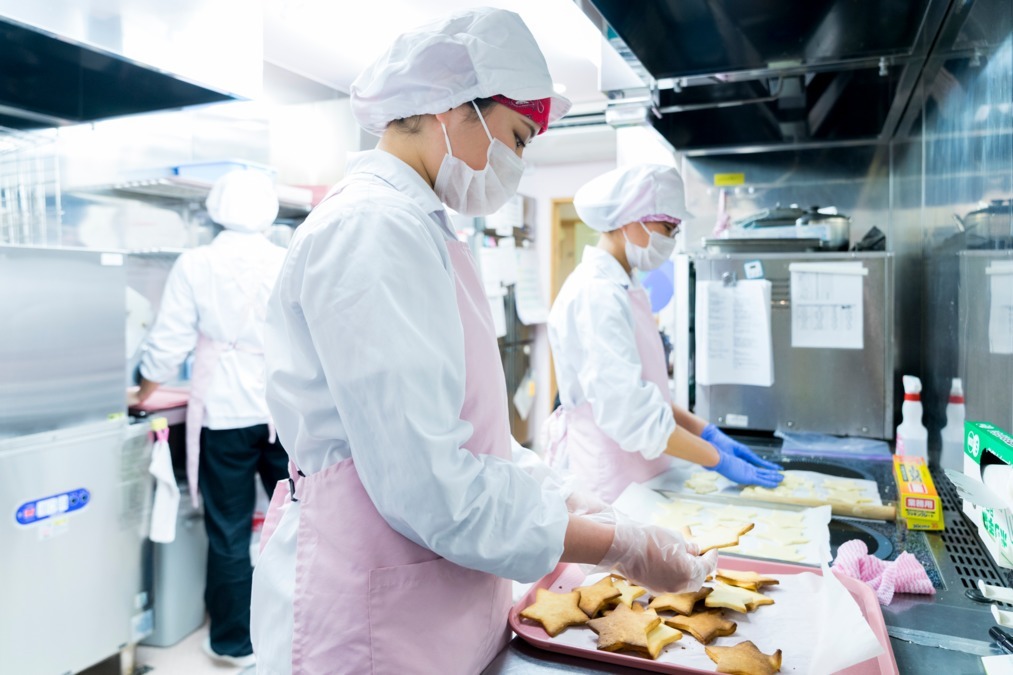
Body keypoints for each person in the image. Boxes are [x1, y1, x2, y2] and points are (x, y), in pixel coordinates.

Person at [250, 9, 717, 674]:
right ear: (452, 109)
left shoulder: (421, 229)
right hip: (370, 612)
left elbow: (461, 437)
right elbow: (430, 489)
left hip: (430, 598)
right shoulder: (370, 232)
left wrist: (559, 492)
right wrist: (620, 547)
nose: (517, 164)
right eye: (518, 138)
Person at [545, 164, 784, 503]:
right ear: (629, 218)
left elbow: (646, 393)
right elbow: (630, 414)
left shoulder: (626, 286)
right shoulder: (595, 293)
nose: (670, 239)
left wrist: (707, 433)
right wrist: (717, 460)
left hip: (643, 472)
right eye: (666, 227)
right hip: (610, 482)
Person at [131, 169, 289, 667]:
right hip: (283, 410)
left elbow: (168, 341)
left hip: (224, 413)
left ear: (217, 209)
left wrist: (143, 392)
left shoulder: (197, 263)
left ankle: (232, 643)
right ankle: (295, 631)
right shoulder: (285, 259)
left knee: (229, 528)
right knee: (299, 523)